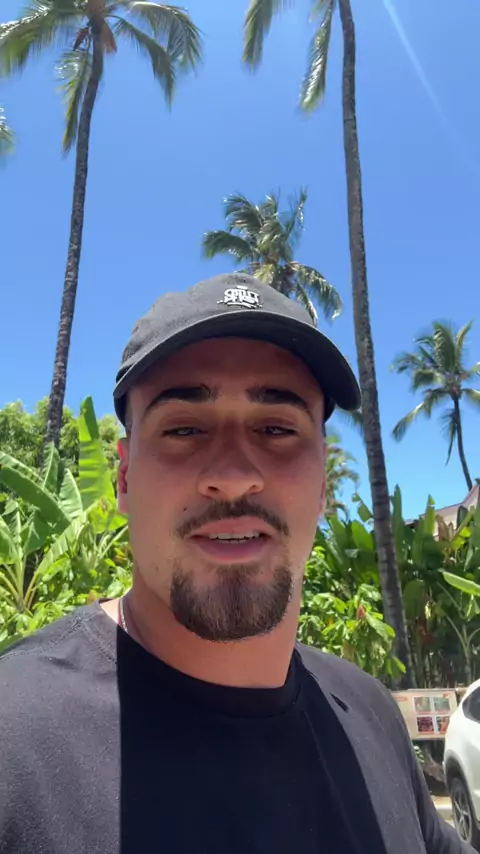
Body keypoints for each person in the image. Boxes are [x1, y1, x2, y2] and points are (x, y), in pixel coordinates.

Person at [0, 273, 472, 854]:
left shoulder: (371, 714)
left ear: (324, 484)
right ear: (123, 478)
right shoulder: (13, 738)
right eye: (184, 429)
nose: (233, 474)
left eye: (276, 429)